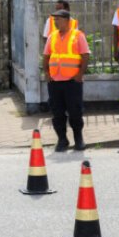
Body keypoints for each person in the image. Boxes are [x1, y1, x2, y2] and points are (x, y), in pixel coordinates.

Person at [42, 9, 90, 152]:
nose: (56, 22)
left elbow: (85, 55)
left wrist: (80, 74)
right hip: (55, 81)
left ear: (67, 20)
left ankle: (78, 139)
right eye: (55, 20)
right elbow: (46, 56)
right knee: (57, 113)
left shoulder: (78, 35)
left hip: (72, 81)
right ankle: (62, 140)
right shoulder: (52, 36)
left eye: (59, 19)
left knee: (75, 112)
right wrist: (46, 73)